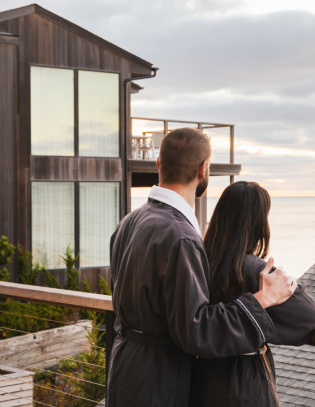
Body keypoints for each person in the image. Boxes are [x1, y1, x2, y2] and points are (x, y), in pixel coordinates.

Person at [106, 128, 296, 407]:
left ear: (159, 164)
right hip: (159, 379)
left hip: (125, 365)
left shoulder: (130, 222)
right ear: (203, 169)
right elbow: (196, 330)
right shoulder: (180, 236)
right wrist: (262, 299)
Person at [189, 181, 315, 407]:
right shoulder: (254, 271)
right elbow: (312, 318)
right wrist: (282, 280)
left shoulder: (199, 262)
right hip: (243, 381)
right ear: (259, 223)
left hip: (201, 377)